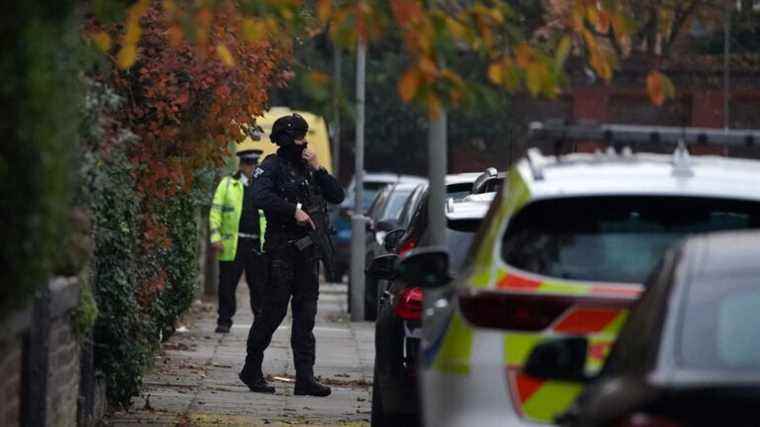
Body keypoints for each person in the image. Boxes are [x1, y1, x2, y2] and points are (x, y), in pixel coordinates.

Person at [239, 113, 344, 396]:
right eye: (299, 137)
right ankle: (252, 367)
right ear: (286, 139)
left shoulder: (309, 168)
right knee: (272, 313)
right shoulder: (271, 167)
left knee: (306, 316)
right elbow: (259, 197)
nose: (304, 142)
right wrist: (291, 210)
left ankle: (305, 378)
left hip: (308, 256)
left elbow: (338, 196)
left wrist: (319, 168)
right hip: (280, 253)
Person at [209, 146, 267, 334]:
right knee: (227, 284)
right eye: (248, 164)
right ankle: (224, 320)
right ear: (241, 165)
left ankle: (260, 321)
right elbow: (216, 211)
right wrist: (215, 237)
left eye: (254, 164)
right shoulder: (227, 184)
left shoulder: (263, 186)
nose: (251, 167)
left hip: (257, 245)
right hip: (233, 244)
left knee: (259, 285)